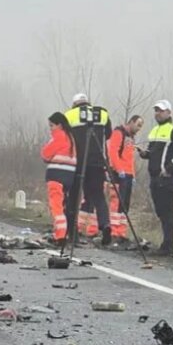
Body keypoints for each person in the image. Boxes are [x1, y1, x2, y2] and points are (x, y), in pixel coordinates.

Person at [139, 100, 173, 255]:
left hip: (168, 178)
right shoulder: (154, 130)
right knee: (160, 211)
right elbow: (153, 152)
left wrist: (169, 168)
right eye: (156, 110)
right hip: (155, 177)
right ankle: (166, 244)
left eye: (161, 111)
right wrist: (144, 154)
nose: (157, 113)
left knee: (167, 211)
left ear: (168, 112)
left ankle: (168, 246)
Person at [65, 93, 112, 247]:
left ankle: (73, 235)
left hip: (78, 162)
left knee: (74, 197)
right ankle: (105, 224)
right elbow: (108, 134)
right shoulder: (102, 114)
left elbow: (65, 138)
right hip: (97, 162)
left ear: (75, 104)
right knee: (98, 196)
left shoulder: (69, 115)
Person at [106, 114, 144, 244]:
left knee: (125, 205)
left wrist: (132, 174)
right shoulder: (118, 132)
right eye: (138, 125)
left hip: (127, 174)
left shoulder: (131, 137)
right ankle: (113, 232)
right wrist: (119, 169)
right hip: (118, 174)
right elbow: (113, 152)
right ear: (131, 122)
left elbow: (130, 158)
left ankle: (121, 232)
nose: (139, 128)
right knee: (116, 203)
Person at [41, 112, 77, 248]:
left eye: (52, 126)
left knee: (56, 206)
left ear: (59, 125)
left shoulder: (59, 136)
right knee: (63, 205)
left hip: (56, 175)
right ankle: (63, 233)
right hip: (69, 176)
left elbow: (45, 154)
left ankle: (60, 236)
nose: (50, 129)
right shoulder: (71, 138)